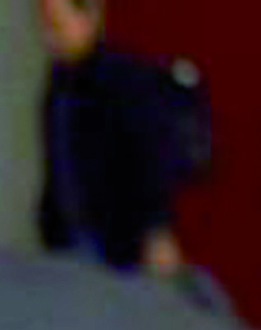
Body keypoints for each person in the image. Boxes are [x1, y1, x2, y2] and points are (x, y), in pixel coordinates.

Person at [34, 0, 184, 275]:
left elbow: (149, 157)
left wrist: (155, 228)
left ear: (89, 17)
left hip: (122, 241)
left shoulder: (124, 80)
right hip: (71, 241)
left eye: (57, 25)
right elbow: (57, 161)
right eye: (44, 25)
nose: (49, 38)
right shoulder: (58, 86)